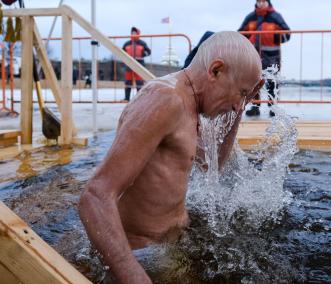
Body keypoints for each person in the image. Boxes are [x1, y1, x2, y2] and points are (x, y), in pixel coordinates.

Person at [78, 31, 264, 284]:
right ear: (215, 70)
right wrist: (133, 275)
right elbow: (95, 196)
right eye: (241, 93)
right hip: (145, 254)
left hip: (170, 246)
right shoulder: (166, 100)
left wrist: (242, 107)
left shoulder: (191, 104)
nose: (236, 104)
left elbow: (212, 165)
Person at [239, 0, 290, 117]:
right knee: (253, 82)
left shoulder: (276, 16)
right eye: (259, 1)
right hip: (253, 55)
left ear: (268, 3)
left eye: (263, 1)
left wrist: (273, 36)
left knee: (273, 82)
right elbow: (241, 33)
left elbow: (287, 34)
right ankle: (255, 107)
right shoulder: (250, 17)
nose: (261, 3)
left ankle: (273, 108)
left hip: (272, 55)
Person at [122, 26, 151, 102]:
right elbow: (122, 53)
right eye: (132, 33)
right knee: (128, 82)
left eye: (135, 32)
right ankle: (126, 98)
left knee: (139, 83)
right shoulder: (127, 43)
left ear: (138, 33)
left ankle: (140, 99)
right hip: (129, 66)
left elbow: (149, 52)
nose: (133, 34)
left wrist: (143, 53)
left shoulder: (142, 43)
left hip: (139, 66)